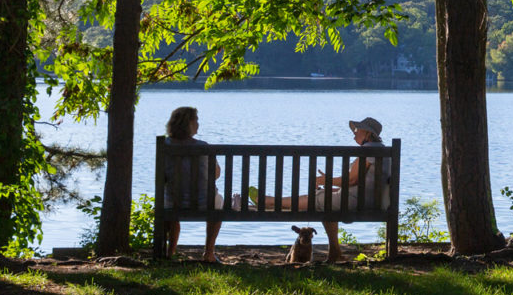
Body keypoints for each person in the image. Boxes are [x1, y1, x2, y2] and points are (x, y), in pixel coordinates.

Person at [250, 117, 389, 263]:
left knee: (317, 199)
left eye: (357, 129)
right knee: (322, 197)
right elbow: (360, 183)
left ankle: (269, 202)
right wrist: (332, 186)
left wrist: (325, 180)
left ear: (367, 133)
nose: (354, 132)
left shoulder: (368, 151)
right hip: (366, 199)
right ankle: (335, 252)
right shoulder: (382, 150)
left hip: (356, 201)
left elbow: (352, 180)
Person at [163, 106, 224, 263]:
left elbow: (162, 176)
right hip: (204, 202)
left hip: (173, 201)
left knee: (171, 211)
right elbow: (216, 174)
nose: (198, 124)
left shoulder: (165, 145)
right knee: (217, 206)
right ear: (188, 124)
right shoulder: (203, 146)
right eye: (196, 120)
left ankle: (170, 252)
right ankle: (209, 253)